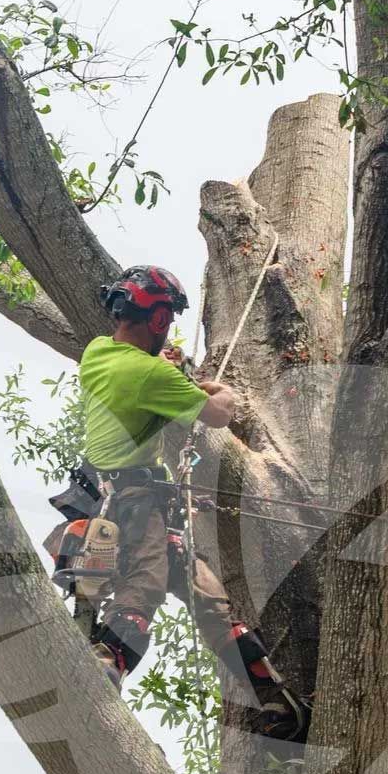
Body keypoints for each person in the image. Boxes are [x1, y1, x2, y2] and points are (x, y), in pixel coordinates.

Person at [58, 264, 308, 742]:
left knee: (211, 603)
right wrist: (216, 388)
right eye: (168, 318)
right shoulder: (153, 375)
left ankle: (273, 698)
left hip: (129, 501)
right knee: (143, 585)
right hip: (133, 505)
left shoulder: (97, 352)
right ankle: (103, 664)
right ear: (155, 321)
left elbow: (147, 382)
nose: (169, 328)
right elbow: (217, 413)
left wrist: (171, 373)